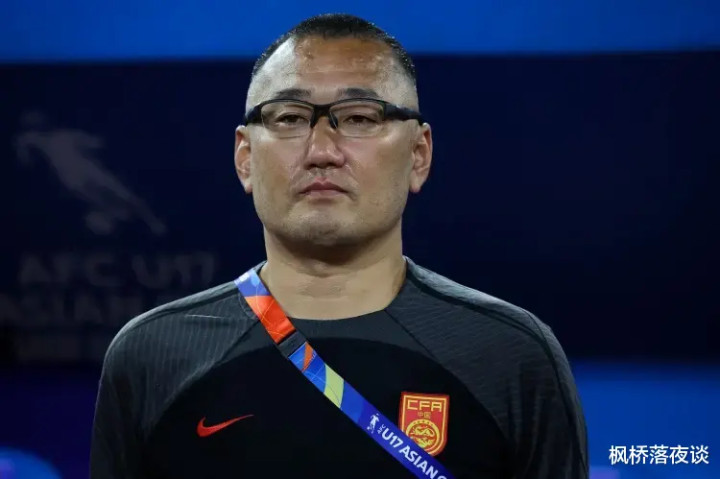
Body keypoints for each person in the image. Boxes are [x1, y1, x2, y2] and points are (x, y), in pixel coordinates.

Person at [90, 13, 588, 479]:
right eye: (289, 118)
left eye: (360, 118)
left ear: (418, 155)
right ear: (244, 158)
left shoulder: (510, 356)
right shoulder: (152, 356)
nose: (322, 151)